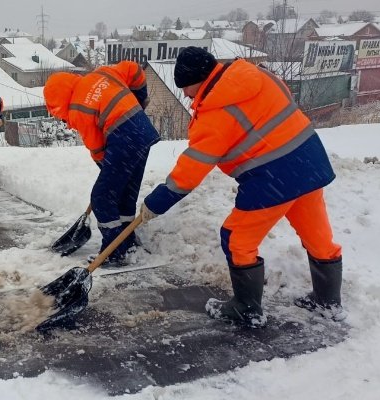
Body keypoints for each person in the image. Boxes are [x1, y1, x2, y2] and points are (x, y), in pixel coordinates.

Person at [140, 47, 344, 328]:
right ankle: (328, 301)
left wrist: (156, 203)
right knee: (317, 234)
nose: (187, 96)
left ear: (200, 79)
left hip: (273, 175)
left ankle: (247, 309)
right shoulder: (258, 74)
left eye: (187, 88)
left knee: (237, 238)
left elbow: (190, 171)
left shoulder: (216, 111)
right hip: (309, 160)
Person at [44, 61, 159, 267]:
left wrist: (107, 172)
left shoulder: (77, 109)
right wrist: (139, 101)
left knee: (102, 197)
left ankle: (114, 251)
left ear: (60, 102)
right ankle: (127, 241)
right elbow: (135, 70)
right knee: (125, 194)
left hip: (124, 138)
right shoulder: (103, 73)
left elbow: (97, 150)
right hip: (143, 133)